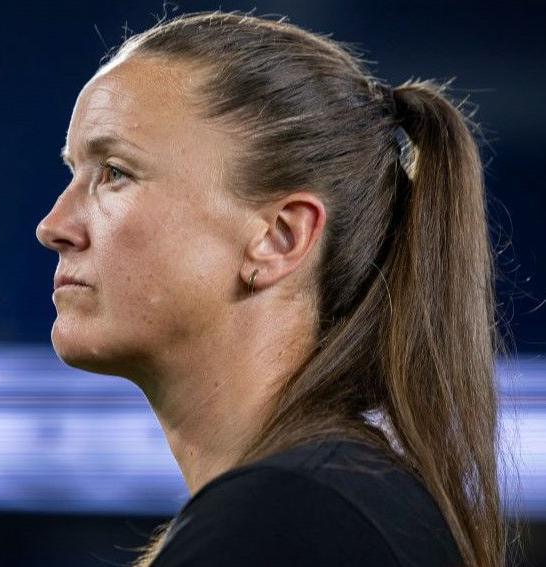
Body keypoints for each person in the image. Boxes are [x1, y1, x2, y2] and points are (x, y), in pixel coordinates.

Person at [35, 10, 511, 567]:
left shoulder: (288, 522)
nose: (53, 226)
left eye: (115, 172)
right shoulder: (328, 502)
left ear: (280, 238)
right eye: (74, 172)